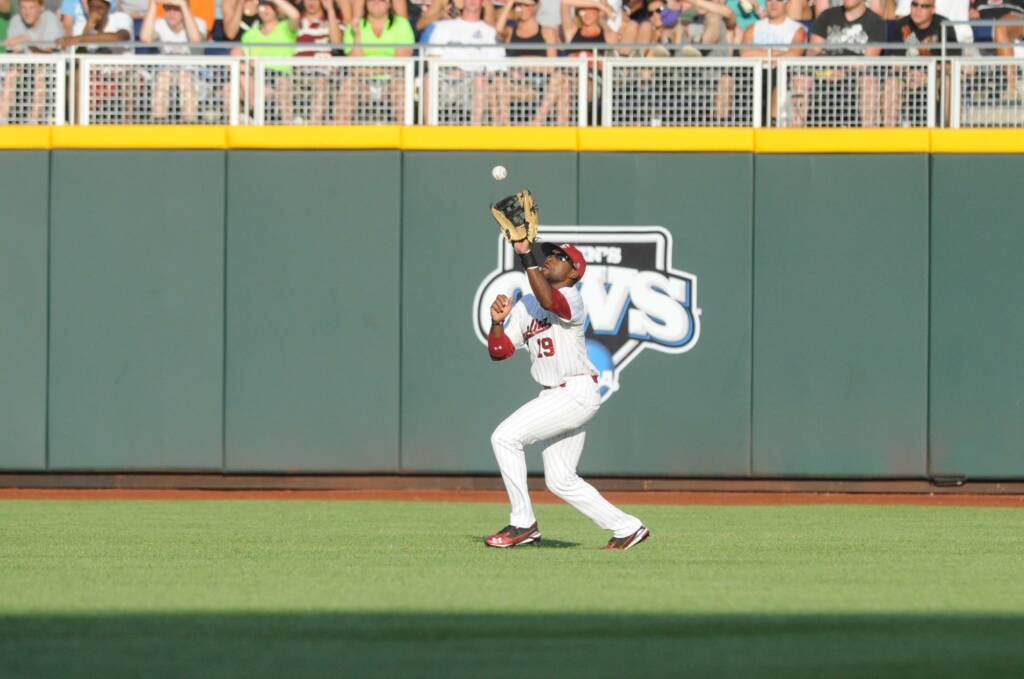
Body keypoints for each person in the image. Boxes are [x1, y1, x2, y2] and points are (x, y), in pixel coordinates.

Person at [485, 239, 649, 551]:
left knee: (504, 437)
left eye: (560, 257)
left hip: (574, 391)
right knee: (560, 479)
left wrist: (525, 255)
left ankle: (523, 523)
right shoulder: (525, 306)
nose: (550, 259)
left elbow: (550, 302)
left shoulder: (572, 298)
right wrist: (496, 324)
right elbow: (500, 351)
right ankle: (628, 527)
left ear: (573, 273)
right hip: (557, 395)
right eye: (549, 255)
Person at [425, 0, 507, 124]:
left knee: (480, 80)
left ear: (483, 2)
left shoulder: (490, 32)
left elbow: (495, 66)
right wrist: (450, 70)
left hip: (474, 80)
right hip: (445, 78)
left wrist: (471, 74)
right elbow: (432, 57)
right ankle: (429, 130)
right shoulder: (442, 27)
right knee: (428, 79)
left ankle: (475, 133)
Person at [809, 0, 886, 126]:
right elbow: (813, 52)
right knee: (800, 78)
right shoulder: (826, 16)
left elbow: (869, 60)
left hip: (855, 74)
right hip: (825, 72)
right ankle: (794, 137)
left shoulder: (876, 22)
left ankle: (869, 138)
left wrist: (843, 70)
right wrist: (830, 70)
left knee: (869, 81)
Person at [882, 0, 957, 125]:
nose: (918, 9)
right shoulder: (901, 24)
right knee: (890, 83)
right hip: (906, 74)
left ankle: (947, 130)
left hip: (935, 75)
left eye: (924, 6)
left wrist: (928, 73)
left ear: (933, 9)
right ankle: (889, 135)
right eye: (915, 4)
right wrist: (910, 72)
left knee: (949, 83)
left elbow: (951, 63)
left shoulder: (944, 25)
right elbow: (895, 61)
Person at [340, 0, 414, 123]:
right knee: (347, 87)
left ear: (389, 4)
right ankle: (339, 138)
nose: (376, 2)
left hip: (392, 81)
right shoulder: (354, 25)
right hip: (362, 82)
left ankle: (406, 136)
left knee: (401, 88)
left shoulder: (401, 24)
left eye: (382, 0)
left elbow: (401, 63)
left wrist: (367, 69)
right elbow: (353, 64)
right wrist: (357, 35)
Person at [739, 0, 807, 124]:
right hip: (755, 73)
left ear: (787, 3)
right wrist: (778, 53)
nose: (774, 4)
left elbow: (793, 55)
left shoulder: (797, 29)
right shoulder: (753, 28)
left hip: (781, 73)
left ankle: (773, 125)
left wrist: (761, 52)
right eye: (770, 0)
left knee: (779, 77)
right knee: (727, 77)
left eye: (779, 1)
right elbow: (745, 54)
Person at [140, 0, 207, 122]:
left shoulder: (198, 23)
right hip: (164, 75)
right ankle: (159, 125)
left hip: (196, 77)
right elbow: (145, 38)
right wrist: (154, 4)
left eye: (176, 9)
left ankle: (189, 126)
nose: (171, 13)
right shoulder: (159, 24)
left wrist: (183, 5)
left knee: (184, 77)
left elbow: (195, 39)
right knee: (163, 76)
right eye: (167, 8)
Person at [234, 0, 299, 122]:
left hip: (280, 75)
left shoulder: (286, 28)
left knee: (282, 83)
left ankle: (288, 128)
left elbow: (295, 15)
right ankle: (255, 115)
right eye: (263, 5)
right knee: (235, 79)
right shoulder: (249, 34)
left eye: (271, 6)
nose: (266, 9)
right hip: (255, 77)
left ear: (278, 9)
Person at [1, 0, 62, 122]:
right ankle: (2, 119)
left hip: (51, 67)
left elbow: (48, 52)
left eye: (31, 8)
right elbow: (14, 52)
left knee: (40, 74)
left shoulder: (49, 19)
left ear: (41, 8)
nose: (27, 12)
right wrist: (22, 45)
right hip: (24, 65)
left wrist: (26, 41)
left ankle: (33, 121)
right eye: (23, 8)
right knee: (11, 74)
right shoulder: (16, 20)